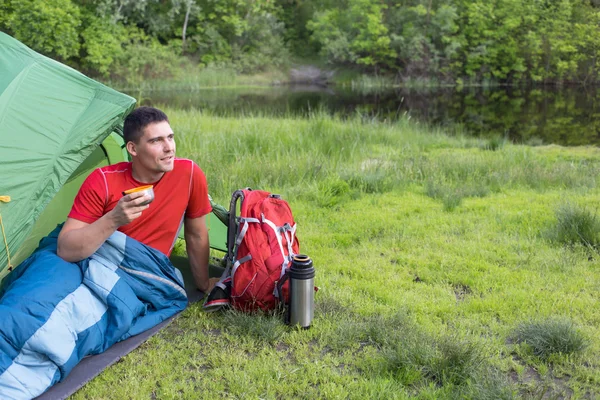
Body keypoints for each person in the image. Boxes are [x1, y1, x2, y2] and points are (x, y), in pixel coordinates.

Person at [57, 106, 218, 294]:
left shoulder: (189, 174)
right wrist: (114, 219)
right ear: (133, 148)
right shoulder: (103, 180)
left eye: (170, 137)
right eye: (156, 141)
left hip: (146, 272)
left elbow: (196, 234)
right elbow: (65, 250)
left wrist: (203, 284)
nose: (169, 148)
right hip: (98, 263)